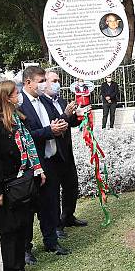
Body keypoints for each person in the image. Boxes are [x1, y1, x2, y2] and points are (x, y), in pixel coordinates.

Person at [0, 80, 45, 271]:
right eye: (16, 93)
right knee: (9, 234)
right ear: (7, 98)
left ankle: (19, 269)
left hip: (23, 183)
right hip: (6, 188)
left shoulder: (17, 119)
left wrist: (37, 170)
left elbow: (28, 147)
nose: (19, 96)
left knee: (22, 229)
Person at [19, 66, 71, 260]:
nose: (44, 85)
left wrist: (63, 122)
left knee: (50, 205)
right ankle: (26, 249)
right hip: (33, 166)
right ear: (28, 83)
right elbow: (25, 137)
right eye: (40, 81)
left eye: (45, 81)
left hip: (51, 161)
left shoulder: (44, 101)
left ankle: (50, 241)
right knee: (30, 209)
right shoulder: (21, 105)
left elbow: (55, 121)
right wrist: (50, 131)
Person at [43, 71, 87, 230]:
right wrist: (67, 114)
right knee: (54, 192)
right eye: (54, 80)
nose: (57, 84)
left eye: (59, 81)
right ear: (45, 82)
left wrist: (77, 116)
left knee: (71, 185)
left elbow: (69, 123)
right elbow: (55, 124)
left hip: (66, 151)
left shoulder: (61, 100)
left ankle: (68, 216)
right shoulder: (42, 103)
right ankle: (56, 225)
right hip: (53, 153)